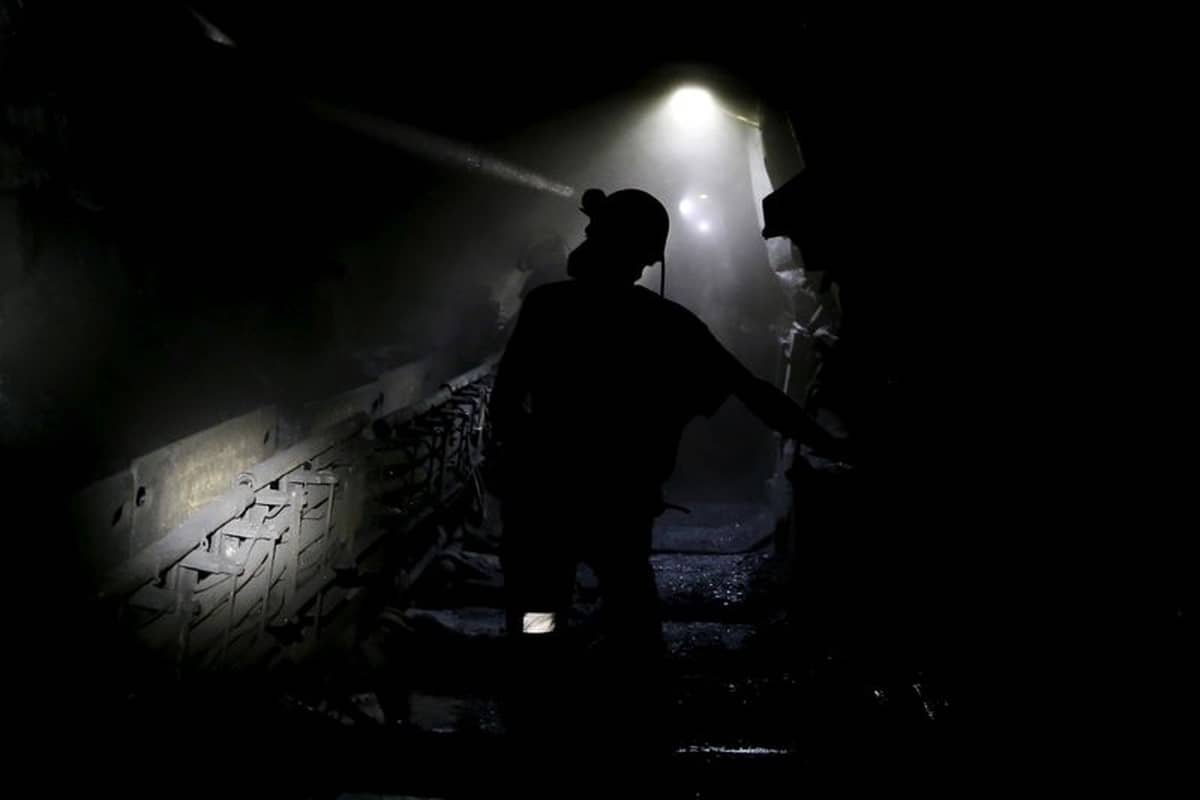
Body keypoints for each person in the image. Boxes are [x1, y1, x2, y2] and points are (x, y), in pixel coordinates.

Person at [485, 187, 845, 787]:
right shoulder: (666, 323)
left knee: (541, 606)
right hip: (617, 505)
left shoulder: (548, 307)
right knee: (629, 613)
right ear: (649, 258)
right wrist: (829, 444)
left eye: (597, 235)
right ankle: (635, 740)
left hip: (548, 501)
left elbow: (503, 404)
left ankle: (540, 710)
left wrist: (536, 457)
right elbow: (753, 392)